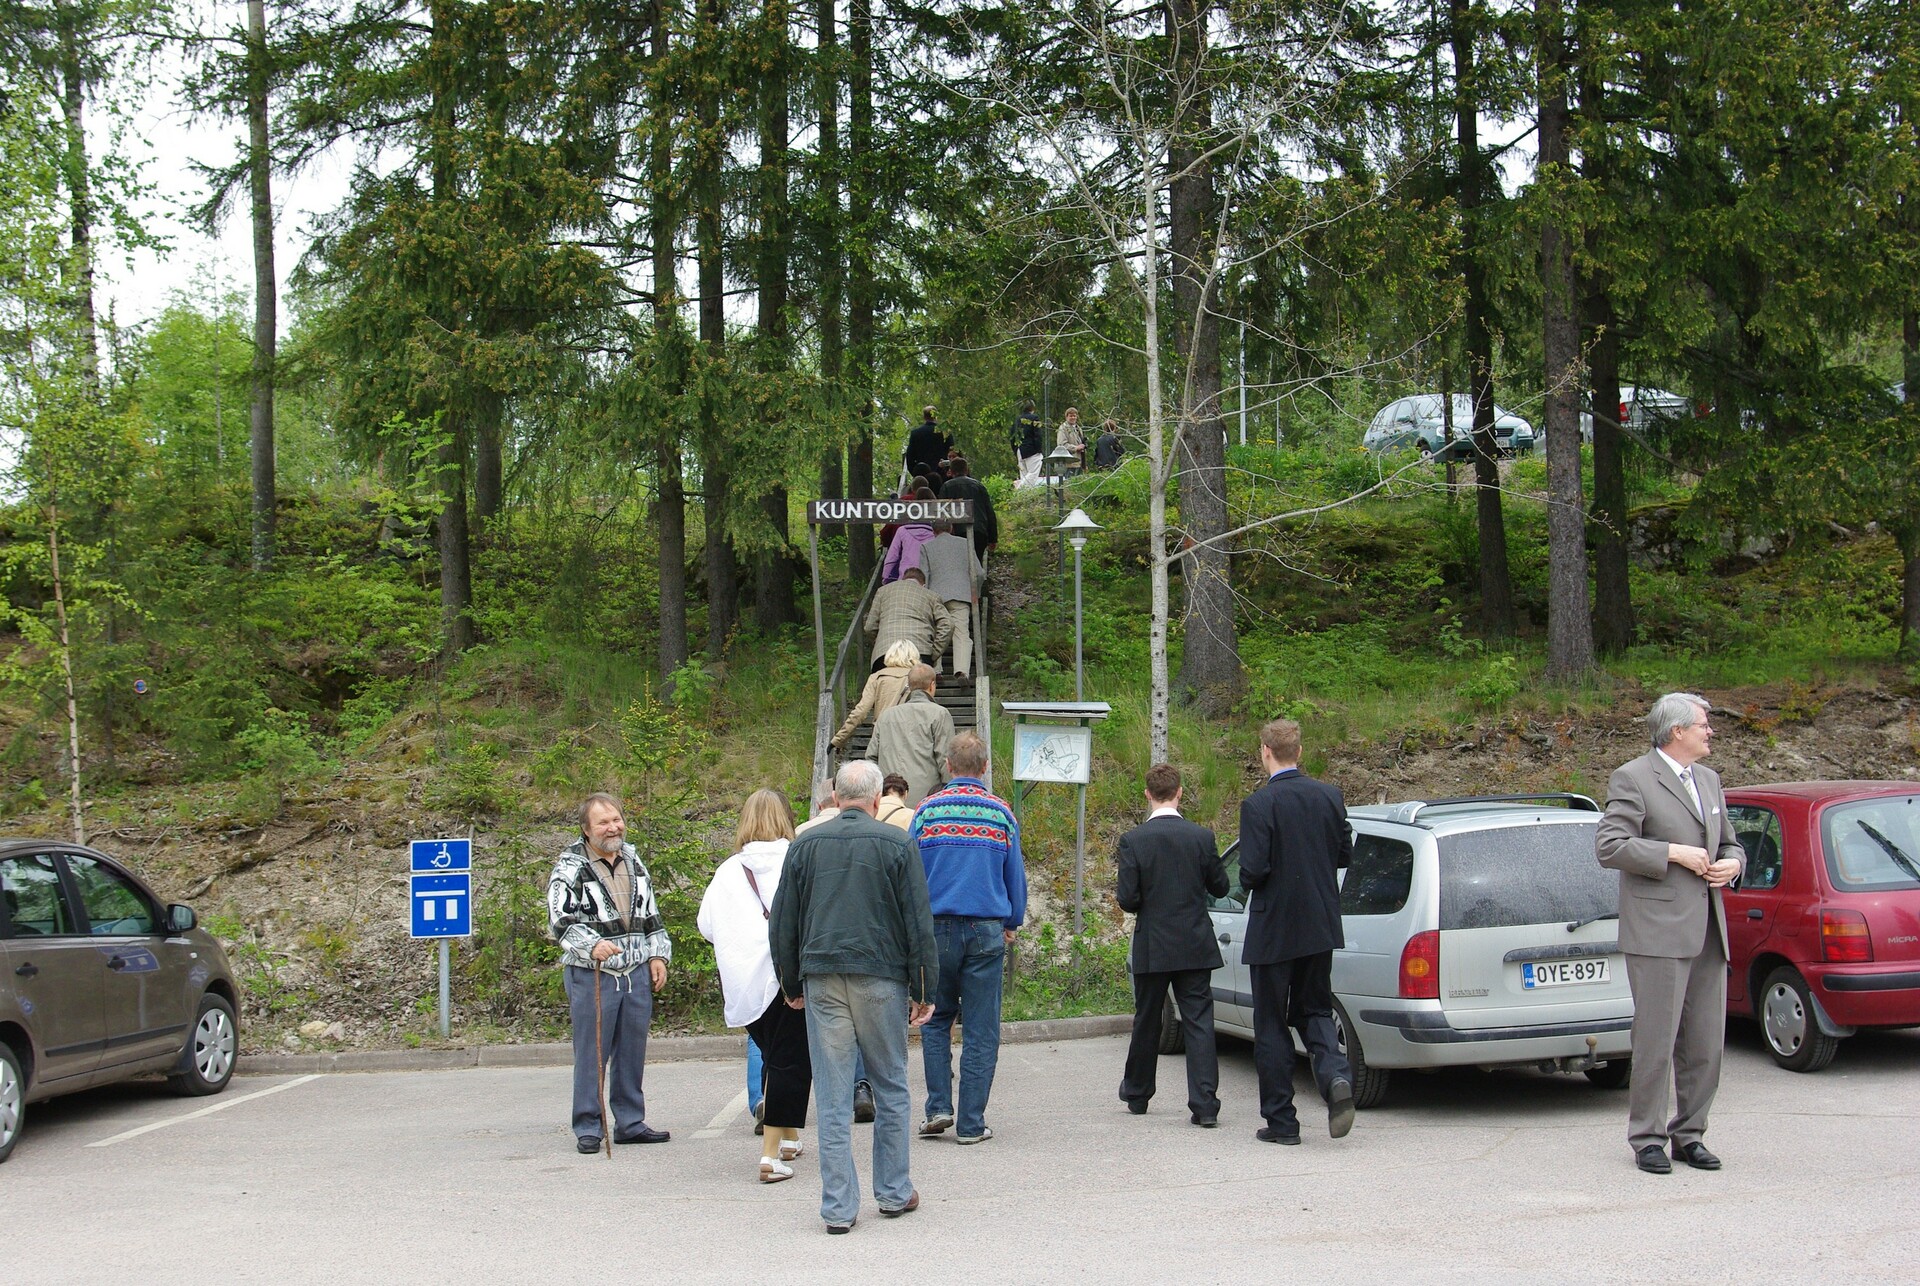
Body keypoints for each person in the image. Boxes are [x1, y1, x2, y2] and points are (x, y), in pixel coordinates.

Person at [770, 760, 939, 1234]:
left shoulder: (803, 844)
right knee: (891, 1086)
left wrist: (791, 983)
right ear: (876, 799)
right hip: (882, 976)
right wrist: (924, 988)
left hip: (823, 977)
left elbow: (783, 920)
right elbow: (917, 920)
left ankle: (838, 1208)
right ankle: (894, 1191)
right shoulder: (897, 843)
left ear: (836, 797)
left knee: (832, 1094)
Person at [1596, 692, 1745, 1175]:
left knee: (1706, 1044)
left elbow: (1730, 844)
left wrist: (1733, 865)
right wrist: (1673, 853)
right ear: (1677, 730)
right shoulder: (1633, 777)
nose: (1710, 731)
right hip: (1658, 932)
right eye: (1703, 724)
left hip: (1709, 930)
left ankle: (1691, 1134)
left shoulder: (1710, 780)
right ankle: (1648, 1139)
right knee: (1656, 1041)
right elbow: (1610, 846)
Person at [1238, 719, 1354, 1145]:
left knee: (1270, 1023)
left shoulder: (1258, 805)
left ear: (1265, 751)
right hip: (1319, 923)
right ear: (1299, 752)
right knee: (1315, 1010)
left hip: (1273, 928)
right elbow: (1345, 853)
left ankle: (1282, 1122)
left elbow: (1252, 870)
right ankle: (1336, 1076)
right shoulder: (1330, 796)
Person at [908, 731, 1025, 1145]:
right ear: (985, 767)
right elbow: (1014, 874)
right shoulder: (1001, 813)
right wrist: (1012, 920)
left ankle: (938, 1107)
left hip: (935, 929)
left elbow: (911, 875)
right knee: (981, 1028)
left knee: (935, 1018)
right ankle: (972, 1123)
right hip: (985, 929)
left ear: (948, 766)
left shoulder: (926, 812)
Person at [547, 792, 673, 1153]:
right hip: (593, 974)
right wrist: (591, 945)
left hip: (636, 971)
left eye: (616, 819)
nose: (613, 827)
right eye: (603, 822)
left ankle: (630, 1122)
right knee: (593, 1052)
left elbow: (650, 913)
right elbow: (560, 918)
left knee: (632, 1051)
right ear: (586, 830)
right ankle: (589, 1125)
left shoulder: (633, 859)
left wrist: (658, 955)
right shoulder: (569, 868)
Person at [697, 789, 811, 1183]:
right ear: (786, 818)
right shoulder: (796, 859)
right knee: (789, 1063)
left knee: (774, 1057)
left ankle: (789, 1137)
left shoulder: (728, 870)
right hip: (786, 978)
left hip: (744, 985)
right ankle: (769, 1155)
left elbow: (706, 926)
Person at [1115, 764, 1228, 1126]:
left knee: (1148, 1019)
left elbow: (1127, 899)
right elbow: (1221, 886)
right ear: (1180, 792)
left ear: (1148, 794)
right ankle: (1205, 1105)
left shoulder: (1134, 840)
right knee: (1199, 1022)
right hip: (1194, 941)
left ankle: (1137, 1093)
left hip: (1154, 943)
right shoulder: (1201, 837)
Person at [869, 664, 952, 807]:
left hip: (889, 799)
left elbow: (871, 756)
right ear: (932, 685)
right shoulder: (940, 714)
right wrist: (950, 795)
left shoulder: (886, 716)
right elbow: (946, 759)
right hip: (927, 800)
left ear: (909, 686)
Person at [918, 523, 984, 679]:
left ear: (933, 531)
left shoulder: (926, 547)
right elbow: (979, 573)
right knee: (961, 634)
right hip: (961, 595)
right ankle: (962, 671)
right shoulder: (965, 544)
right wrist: (976, 592)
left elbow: (923, 575)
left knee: (935, 632)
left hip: (935, 597)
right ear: (951, 529)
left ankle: (936, 670)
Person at [834, 640, 918, 750]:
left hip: (883, 734)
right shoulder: (919, 677)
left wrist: (839, 739)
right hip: (911, 734)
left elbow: (861, 710)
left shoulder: (877, 677)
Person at [863, 567, 951, 672]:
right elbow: (948, 624)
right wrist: (934, 652)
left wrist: (879, 642)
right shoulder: (931, 595)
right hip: (920, 653)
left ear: (903, 579)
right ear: (923, 585)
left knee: (886, 682)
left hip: (886, 653)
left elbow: (869, 627)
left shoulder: (883, 591)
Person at [937, 457, 998, 559]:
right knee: (976, 562)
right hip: (979, 531)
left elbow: (942, 512)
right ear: (966, 470)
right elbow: (989, 512)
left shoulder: (946, 487)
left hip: (956, 532)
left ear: (951, 471)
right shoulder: (979, 486)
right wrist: (993, 538)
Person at [881, 488, 940, 584]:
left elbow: (892, 556)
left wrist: (886, 577)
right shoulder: (936, 533)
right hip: (929, 580)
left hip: (906, 577)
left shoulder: (903, 530)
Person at [905, 405, 951, 483]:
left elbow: (910, 457)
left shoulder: (916, 433)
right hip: (942, 475)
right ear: (936, 416)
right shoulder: (945, 433)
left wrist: (915, 473)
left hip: (922, 476)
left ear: (924, 417)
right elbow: (951, 453)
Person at [1012, 398, 1044, 489]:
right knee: (1033, 474)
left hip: (1019, 450)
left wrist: (1015, 450)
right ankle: (1018, 488)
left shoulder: (1017, 420)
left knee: (1024, 475)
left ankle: (1024, 494)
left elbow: (1012, 437)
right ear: (1032, 408)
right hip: (1032, 450)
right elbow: (1037, 436)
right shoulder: (1034, 418)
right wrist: (1039, 450)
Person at [1056, 406, 1086, 471]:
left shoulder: (1078, 428)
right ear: (1066, 417)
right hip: (1068, 464)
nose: (1073, 418)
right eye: (1071, 416)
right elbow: (1062, 445)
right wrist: (1076, 448)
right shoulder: (1063, 428)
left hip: (1079, 463)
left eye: (1074, 416)